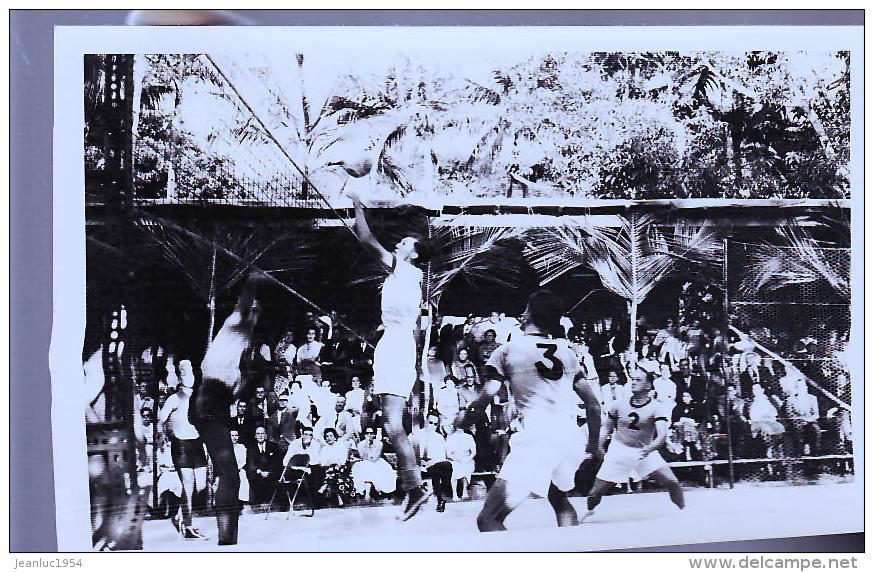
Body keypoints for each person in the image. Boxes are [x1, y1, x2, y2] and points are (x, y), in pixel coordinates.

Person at [457, 290, 602, 532]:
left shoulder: (507, 350)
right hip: (569, 437)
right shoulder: (567, 353)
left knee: (488, 519)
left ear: (527, 315)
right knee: (559, 498)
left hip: (538, 438)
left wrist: (463, 422)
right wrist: (594, 446)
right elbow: (594, 405)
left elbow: (486, 396)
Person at [346, 186, 436, 520]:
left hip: (396, 348)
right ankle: (414, 487)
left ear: (415, 253)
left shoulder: (405, 269)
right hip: (393, 345)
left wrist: (357, 203)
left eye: (408, 241)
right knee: (390, 424)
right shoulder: (408, 277)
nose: (401, 241)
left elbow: (367, 240)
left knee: (392, 425)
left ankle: (416, 488)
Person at [189, 275, 263, 545]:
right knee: (229, 473)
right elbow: (244, 303)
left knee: (230, 474)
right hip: (209, 401)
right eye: (252, 310)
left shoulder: (241, 343)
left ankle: (229, 536)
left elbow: (237, 387)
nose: (255, 314)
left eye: (258, 311)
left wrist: (241, 384)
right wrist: (253, 281)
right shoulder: (235, 324)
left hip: (216, 402)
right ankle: (226, 539)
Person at [583, 368, 684, 521]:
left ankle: (682, 511)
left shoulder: (656, 407)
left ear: (649, 385)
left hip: (644, 451)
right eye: (633, 379)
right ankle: (590, 511)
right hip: (619, 450)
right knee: (594, 493)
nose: (633, 383)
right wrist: (596, 447)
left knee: (673, 482)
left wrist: (650, 448)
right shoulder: (619, 404)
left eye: (638, 380)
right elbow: (606, 428)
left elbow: (662, 435)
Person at [157, 359, 208, 540]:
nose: (188, 376)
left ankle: (180, 515)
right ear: (179, 376)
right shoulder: (174, 398)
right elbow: (161, 421)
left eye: (190, 372)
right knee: (188, 485)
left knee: (200, 485)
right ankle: (188, 526)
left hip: (197, 444)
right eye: (184, 372)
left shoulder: (199, 397)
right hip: (182, 445)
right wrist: (167, 435)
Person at [412, 412, 454, 512]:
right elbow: (409, 452)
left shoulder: (439, 438)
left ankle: (441, 497)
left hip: (433, 465)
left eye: (435, 424)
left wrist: (430, 463)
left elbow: (441, 457)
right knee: (438, 471)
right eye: (431, 423)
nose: (433, 426)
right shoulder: (416, 435)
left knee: (446, 465)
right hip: (418, 465)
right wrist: (418, 462)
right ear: (426, 421)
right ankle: (442, 496)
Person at [352, 426, 397, 500]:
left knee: (373, 468)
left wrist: (370, 457)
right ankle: (367, 493)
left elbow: (375, 458)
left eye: (371, 433)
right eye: (367, 433)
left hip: (377, 462)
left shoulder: (379, 444)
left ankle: (377, 491)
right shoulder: (360, 445)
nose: (369, 435)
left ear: (374, 435)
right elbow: (364, 458)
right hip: (364, 463)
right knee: (365, 466)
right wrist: (366, 446)